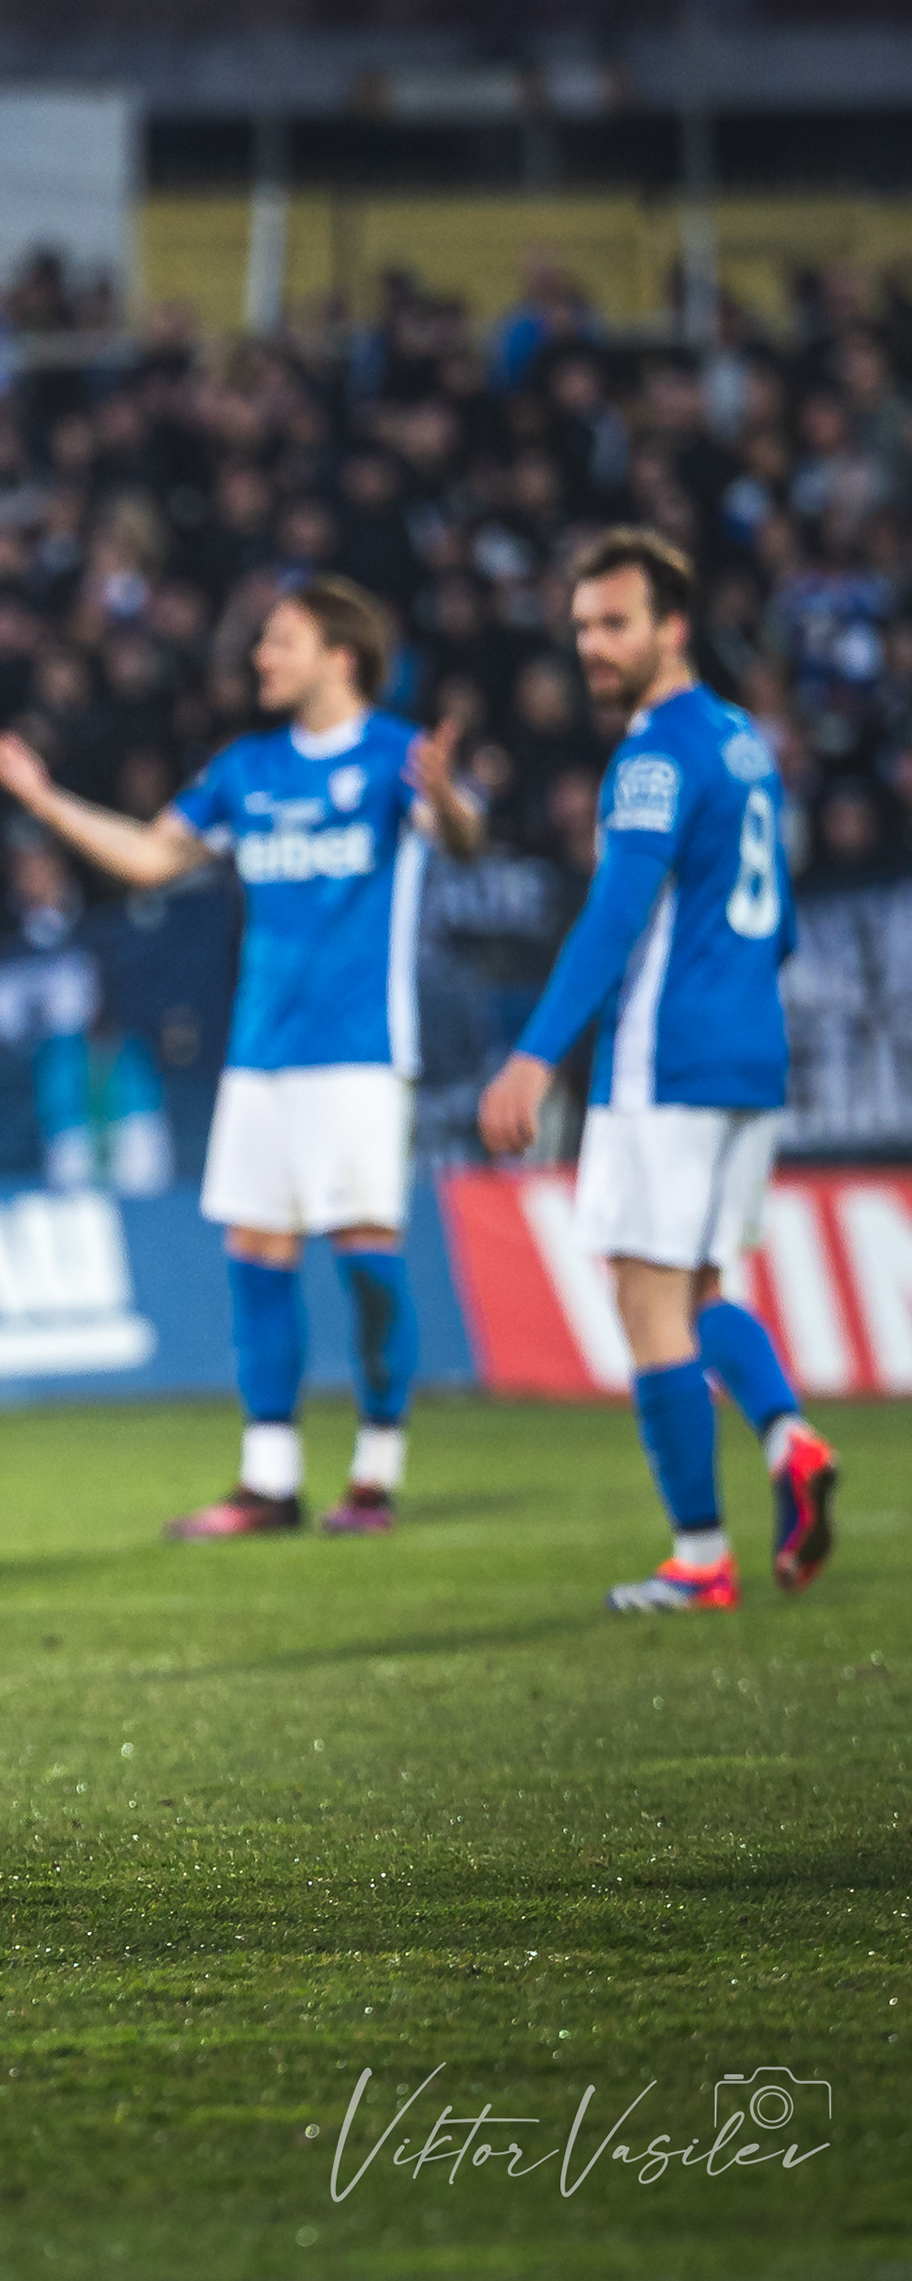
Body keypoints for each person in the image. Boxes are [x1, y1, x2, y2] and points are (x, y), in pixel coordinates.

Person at [0, 579, 486, 1539]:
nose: (261, 658)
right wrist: (44, 798)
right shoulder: (247, 768)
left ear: (341, 655)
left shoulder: (396, 757)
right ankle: (269, 1479)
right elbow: (151, 856)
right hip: (260, 1056)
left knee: (368, 1259)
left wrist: (447, 795)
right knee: (257, 1256)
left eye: (282, 641)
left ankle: (375, 1472)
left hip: (360, 1053)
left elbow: (461, 837)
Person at [479, 528, 840, 1611]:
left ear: (671, 628)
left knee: (647, 1303)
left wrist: (534, 1053)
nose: (592, 644)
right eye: (582, 625)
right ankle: (789, 1436)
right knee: (701, 1286)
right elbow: (781, 928)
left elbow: (614, 915)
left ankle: (699, 1556)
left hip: (666, 1057)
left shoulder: (652, 756)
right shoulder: (743, 739)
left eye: (615, 624)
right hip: (751, 1057)